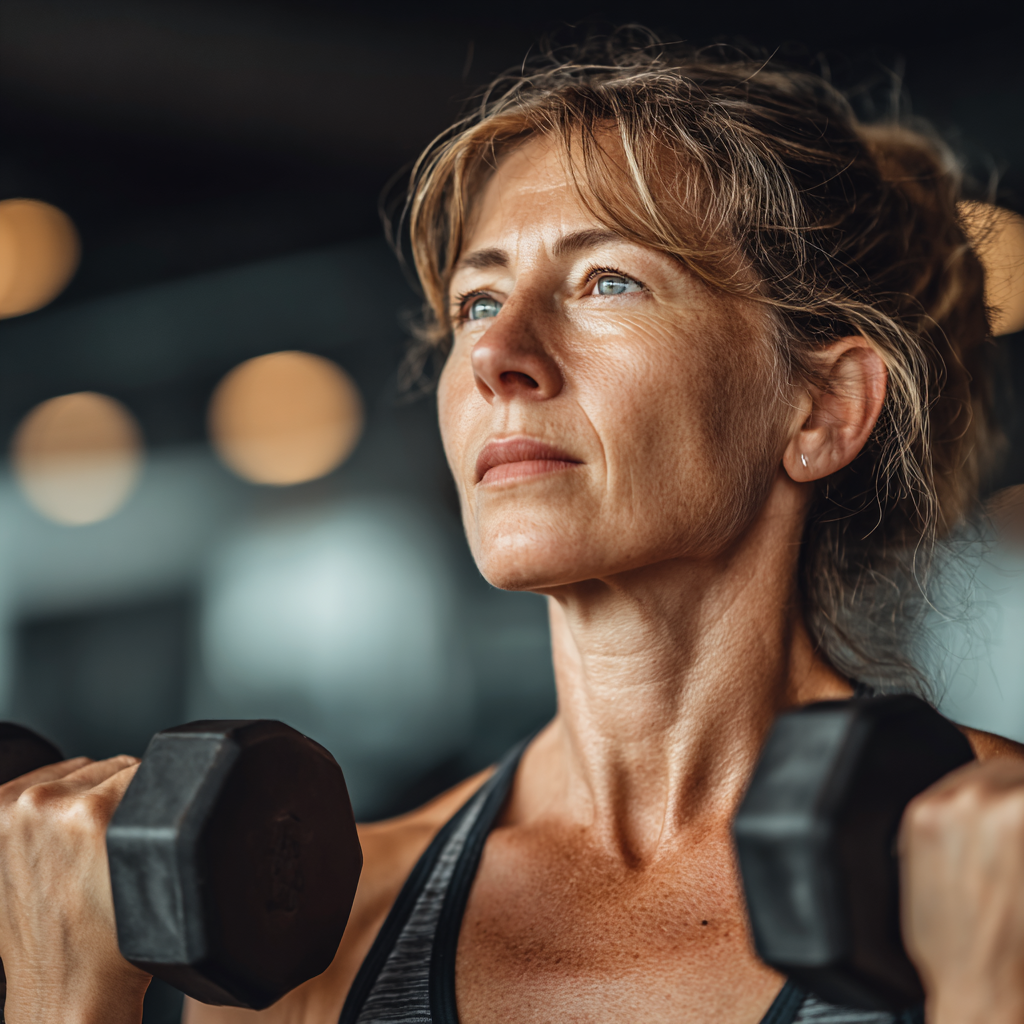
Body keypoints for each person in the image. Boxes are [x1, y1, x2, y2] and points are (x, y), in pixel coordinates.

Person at [3, 36, 1024, 1024]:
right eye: (476, 299)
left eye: (607, 281)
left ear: (822, 409)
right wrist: (66, 998)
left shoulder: (993, 865)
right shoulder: (313, 937)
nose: (497, 353)